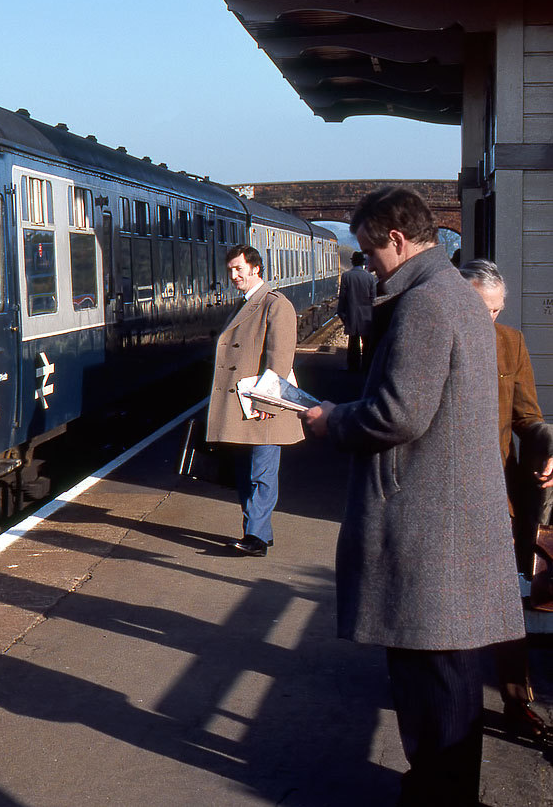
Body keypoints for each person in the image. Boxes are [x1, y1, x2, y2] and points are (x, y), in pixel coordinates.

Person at [302, 188, 525, 806]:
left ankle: (438, 797)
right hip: (450, 522)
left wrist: (330, 420)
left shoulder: (426, 304)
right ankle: (442, 791)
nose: (366, 263)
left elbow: (398, 414)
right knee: (447, 678)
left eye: (369, 250)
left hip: (429, 528)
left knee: (434, 685)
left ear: (396, 240)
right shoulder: (454, 296)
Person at [459, 258, 553, 741]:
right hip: (445, 498)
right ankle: (449, 704)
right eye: (482, 310)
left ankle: (517, 704)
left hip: (498, 496)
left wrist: (547, 444)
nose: (490, 320)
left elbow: (526, 416)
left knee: (505, 604)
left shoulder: (510, 344)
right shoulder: (434, 341)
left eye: (497, 311)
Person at [205, 244, 304, 557]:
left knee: (261, 474)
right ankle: (260, 531)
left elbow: (279, 359)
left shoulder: (275, 304)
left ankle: (256, 539)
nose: (233, 275)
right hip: (243, 406)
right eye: (231, 270)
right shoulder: (247, 304)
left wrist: (267, 404)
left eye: (239, 269)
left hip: (263, 406)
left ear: (256, 268)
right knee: (247, 472)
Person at [337, 251, 376, 371]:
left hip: (351, 314)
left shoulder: (346, 276)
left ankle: (353, 366)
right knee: (367, 344)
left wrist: (342, 313)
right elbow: (373, 298)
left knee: (353, 343)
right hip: (367, 316)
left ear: (352, 261)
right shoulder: (370, 278)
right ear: (363, 262)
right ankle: (366, 366)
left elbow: (343, 297)